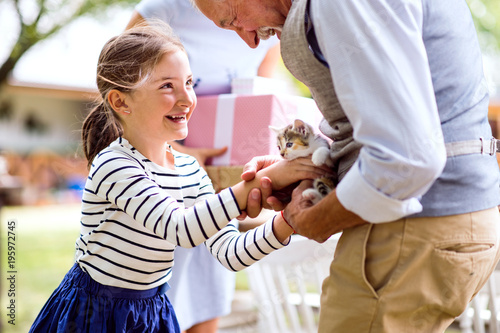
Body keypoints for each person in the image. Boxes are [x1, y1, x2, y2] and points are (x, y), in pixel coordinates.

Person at [192, 0, 500, 332]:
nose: (250, 42)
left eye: (233, 20)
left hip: (413, 228)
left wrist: (316, 219)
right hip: (453, 216)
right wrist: (312, 169)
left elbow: (406, 158)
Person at [28, 21, 330, 332]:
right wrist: (260, 182)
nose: (187, 99)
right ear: (121, 102)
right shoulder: (114, 165)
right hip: (95, 314)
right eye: (167, 86)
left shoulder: (188, 169)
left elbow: (230, 253)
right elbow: (179, 228)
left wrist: (288, 220)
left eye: (189, 82)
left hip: (151, 312)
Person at [125, 2, 281, 332]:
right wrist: (176, 153)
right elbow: (118, 96)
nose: (251, 38)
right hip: (158, 185)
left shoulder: (271, 22)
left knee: (206, 298)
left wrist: (286, 217)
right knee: (154, 303)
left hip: (217, 190)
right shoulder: (164, 10)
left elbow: (259, 105)